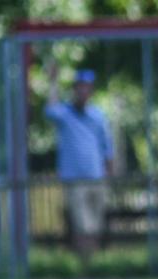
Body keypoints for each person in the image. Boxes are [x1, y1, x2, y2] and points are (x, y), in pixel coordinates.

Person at [45, 66, 114, 265]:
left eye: (87, 87)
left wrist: (109, 171)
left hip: (96, 178)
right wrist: (53, 83)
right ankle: (86, 265)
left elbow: (107, 147)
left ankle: (93, 264)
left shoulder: (98, 116)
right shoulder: (65, 114)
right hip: (74, 180)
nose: (83, 91)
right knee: (82, 226)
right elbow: (50, 110)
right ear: (74, 89)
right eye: (80, 87)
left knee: (96, 225)